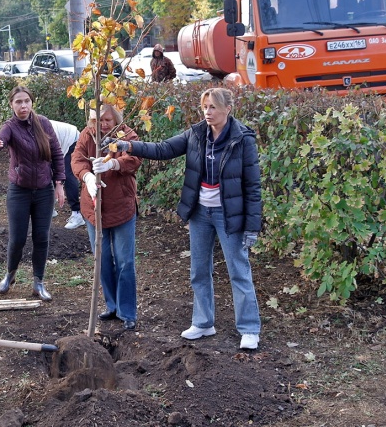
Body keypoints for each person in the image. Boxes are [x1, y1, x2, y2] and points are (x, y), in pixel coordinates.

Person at [101, 88, 262, 349]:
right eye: (205, 107)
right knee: (199, 270)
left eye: (213, 107)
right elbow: (164, 149)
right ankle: (203, 323)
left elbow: (253, 186)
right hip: (200, 212)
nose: (207, 112)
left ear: (227, 109)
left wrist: (252, 226)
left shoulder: (242, 139)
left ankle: (249, 328)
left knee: (238, 271)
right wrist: (128, 145)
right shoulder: (196, 133)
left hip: (229, 214)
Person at [0, 86, 66, 301]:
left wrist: (59, 184)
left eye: (26, 101)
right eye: (18, 102)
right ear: (12, 105)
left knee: (42, 238)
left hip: (44, 190)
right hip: (19, 191)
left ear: (32, 103)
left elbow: (57, 154)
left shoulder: (43, 123)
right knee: (18, 239)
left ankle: (38, 283)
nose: (23, 106)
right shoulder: (10, 127)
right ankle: (10, 274)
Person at [71, 106, 142, 330]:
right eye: (97, 120)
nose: (102, 124)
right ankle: (111, 305)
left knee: (125, 261)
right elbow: (76, 158)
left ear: (117, 118)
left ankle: (127, 311)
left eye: (107, 119)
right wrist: (88, 176)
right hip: (94, 209)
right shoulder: (87, 135)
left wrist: (114, 163)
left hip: (121, 207)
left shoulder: (127, 135)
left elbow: (135, 158)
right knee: (102, 260)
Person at [49, 120, 84, 229]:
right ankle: (50, 208)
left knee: (67, 175)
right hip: (61, 141)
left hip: (72, 139)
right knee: (48, 171)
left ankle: (77, 214)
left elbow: (56, 155)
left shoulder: (44, 129)